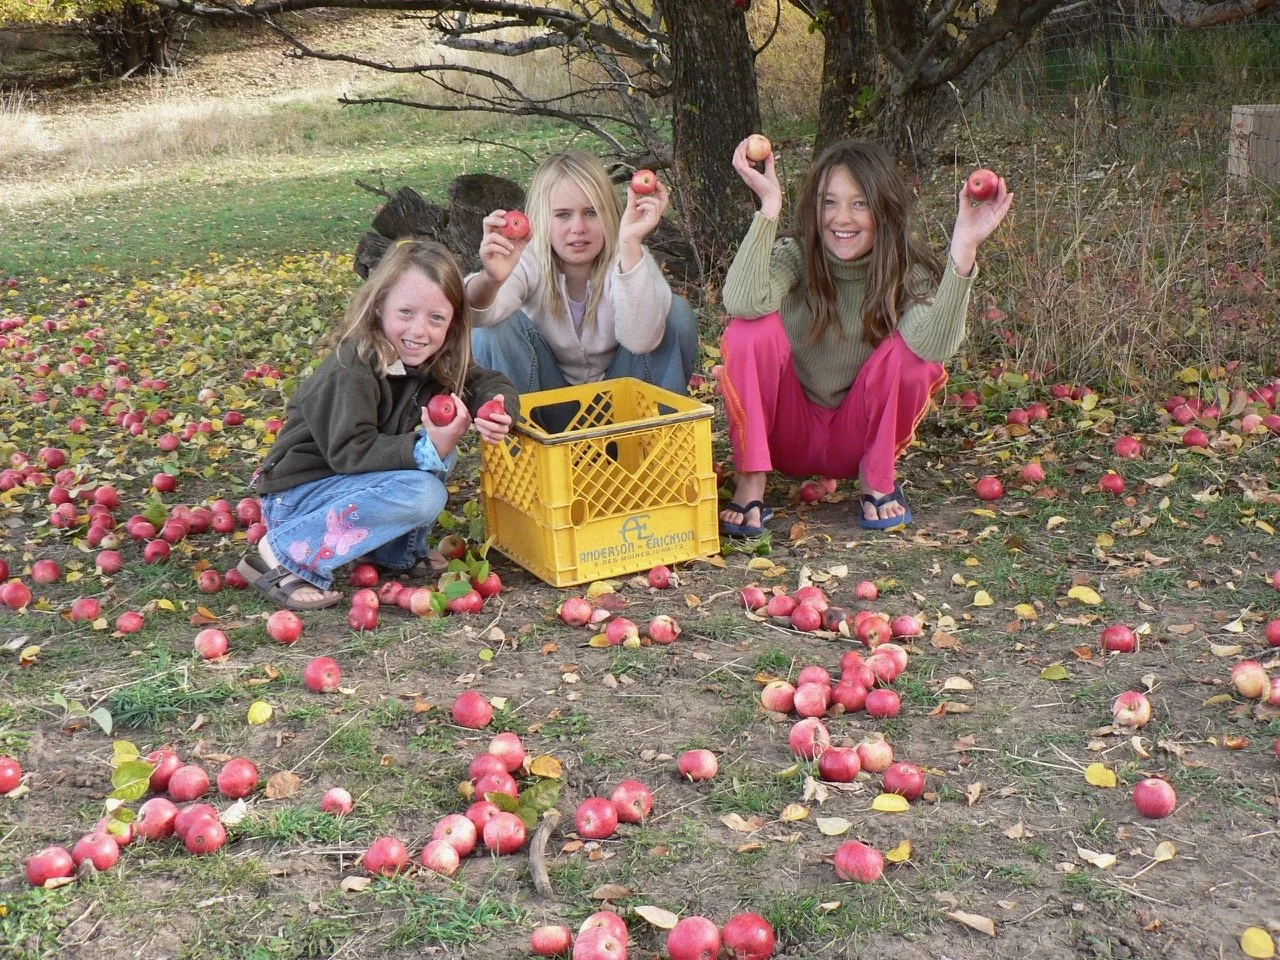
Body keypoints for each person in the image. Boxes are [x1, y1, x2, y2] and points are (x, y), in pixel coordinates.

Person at [717, 138, 1012, 536]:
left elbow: (933, 349)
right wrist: (769, 207)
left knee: (911, 355)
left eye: (859, 204)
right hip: (785, 432)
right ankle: (751, 478)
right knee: (749, 329)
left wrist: (964, 248)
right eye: (829, 202)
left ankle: (877, 481)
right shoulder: (795, 254)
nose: (842, 218)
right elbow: (740, 301)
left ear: (883, 209)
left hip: (857, 441)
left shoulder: (905, 271)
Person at [236, 239, 518, 611]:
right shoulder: (353, 366)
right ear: (379, 305)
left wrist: (496, 407)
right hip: (300, 497)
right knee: (426, 485)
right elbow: (350, 451)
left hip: (342, 489)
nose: (420, 330)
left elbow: (484, 382)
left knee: (434, 458)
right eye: (406, 312)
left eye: (436, 318)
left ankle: (393, 553)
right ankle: (280, 553)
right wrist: (429, 447)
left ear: (452, 324)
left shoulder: (431, 361)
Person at [466, 150, 699, 404]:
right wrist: (492, 280)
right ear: (542, 218)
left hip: (625, 406)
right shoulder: (528, 259)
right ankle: (515, 437)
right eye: (563, 214)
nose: (578, 227)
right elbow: (478, 316)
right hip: (546, 409)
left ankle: (664, 434)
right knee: (494, 327)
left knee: (675, 313)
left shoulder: (629, 258)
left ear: (609, 213)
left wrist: (631, 243)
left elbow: (642, 341)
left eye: (590, 213)